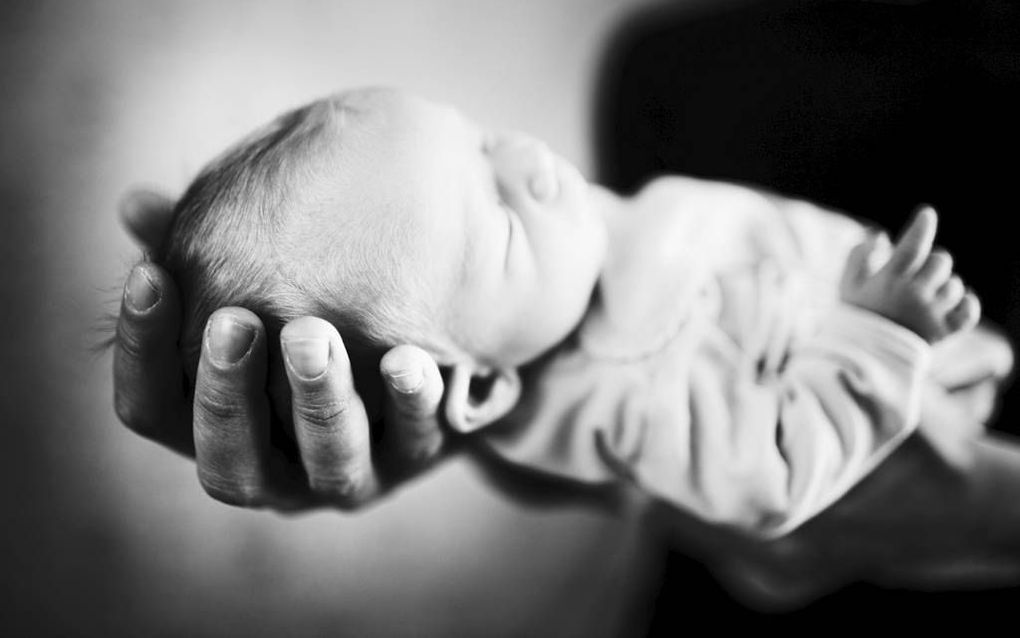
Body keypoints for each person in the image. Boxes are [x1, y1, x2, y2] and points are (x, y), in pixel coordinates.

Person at [133, 86, 1007, 541]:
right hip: (923, 408)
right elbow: (776, 478)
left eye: (481, 141)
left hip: (856, 276)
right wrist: (882, 334)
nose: (534, 161)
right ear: (480, 384)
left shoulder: (563, 265)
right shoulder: (633, 397)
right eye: (503, 219)